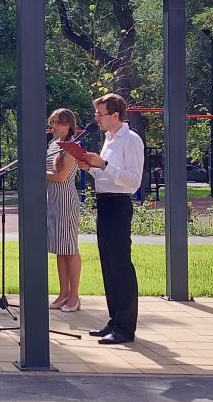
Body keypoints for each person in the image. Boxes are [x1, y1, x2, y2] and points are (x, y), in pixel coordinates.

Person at [76, 93, 143, 345]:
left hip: (119, 205)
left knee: (121, 265)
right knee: (108, 264)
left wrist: (103, 164)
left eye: (100, 114)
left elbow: (133, 181)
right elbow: (106, 176)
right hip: (104, 203)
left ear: (115, 115)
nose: (97, 118)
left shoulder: (131, 140)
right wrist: (91, 167)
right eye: (96, 113)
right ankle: (114, 320)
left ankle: (125, 328)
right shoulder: (109, 140)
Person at [45, 109, 83, 313]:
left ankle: (74, 296)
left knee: (70, 249)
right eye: (52, 122)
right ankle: (63, 293)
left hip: (66, 200)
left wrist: (37, 172)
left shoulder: (72, 147)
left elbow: (61, 177)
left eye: (58, 123)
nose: (54, 126)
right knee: (60, 250)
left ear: (68, 124)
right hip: (53, 200)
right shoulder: (53, 145)